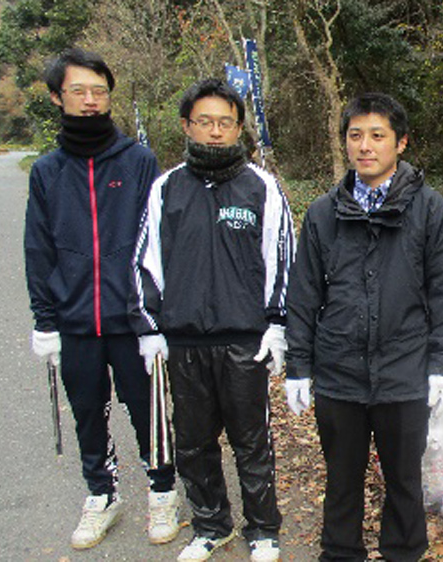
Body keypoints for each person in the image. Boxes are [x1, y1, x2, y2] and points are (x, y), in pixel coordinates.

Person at [285, 92, 443, 561]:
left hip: (404, 372)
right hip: (339, 374)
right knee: (341, 477)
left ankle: (403, 552)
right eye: (355, 135)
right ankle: (341, 551)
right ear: (345, 142)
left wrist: (442, 365)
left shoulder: (430, 211)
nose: (365, 146)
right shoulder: (324, 214)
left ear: (401, 143)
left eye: (377, 136)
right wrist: (299, 367)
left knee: (404, 479)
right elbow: (304, 294)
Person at [129, 78, 293, 562]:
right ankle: (210, 525)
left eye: (225, 122)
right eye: (205, 122)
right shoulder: (167, 188)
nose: (216, 132)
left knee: (252, 443)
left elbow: (282, 258)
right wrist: (151, 327)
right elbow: (147, 261)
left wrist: (276, 324)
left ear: (239, 127)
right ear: (187, 126)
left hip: (245, 341)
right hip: (183, 342)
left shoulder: (260, 187)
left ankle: (263, 529)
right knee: (195, 444)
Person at [24, 47, 179, 550]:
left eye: (99, 91)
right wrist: (44, 321)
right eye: (78, 91)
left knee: (147, 409)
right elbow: (39, 248)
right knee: (88, 411)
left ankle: (163, 490)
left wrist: (156, 315)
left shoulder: (137, 160)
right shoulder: (47, 171)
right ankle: (102, 493)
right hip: (73, 320)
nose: (91, 101)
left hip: (131, 318)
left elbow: (156, 242)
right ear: (57, 97)